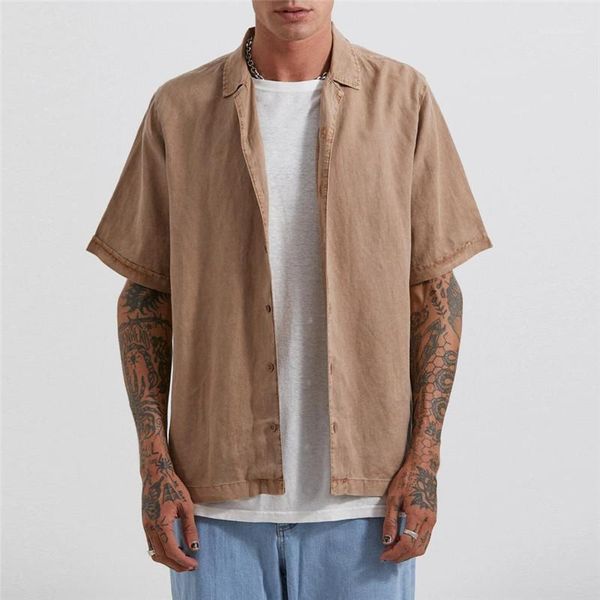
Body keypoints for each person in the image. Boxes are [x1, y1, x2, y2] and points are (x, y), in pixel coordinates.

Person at [85, 2, 493, 598]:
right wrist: (154, 467)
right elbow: (146, 297)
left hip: (370, 502)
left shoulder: (404, 99)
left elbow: (434, 292)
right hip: (211, 502)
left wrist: (425, 460)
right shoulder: (180, 108)